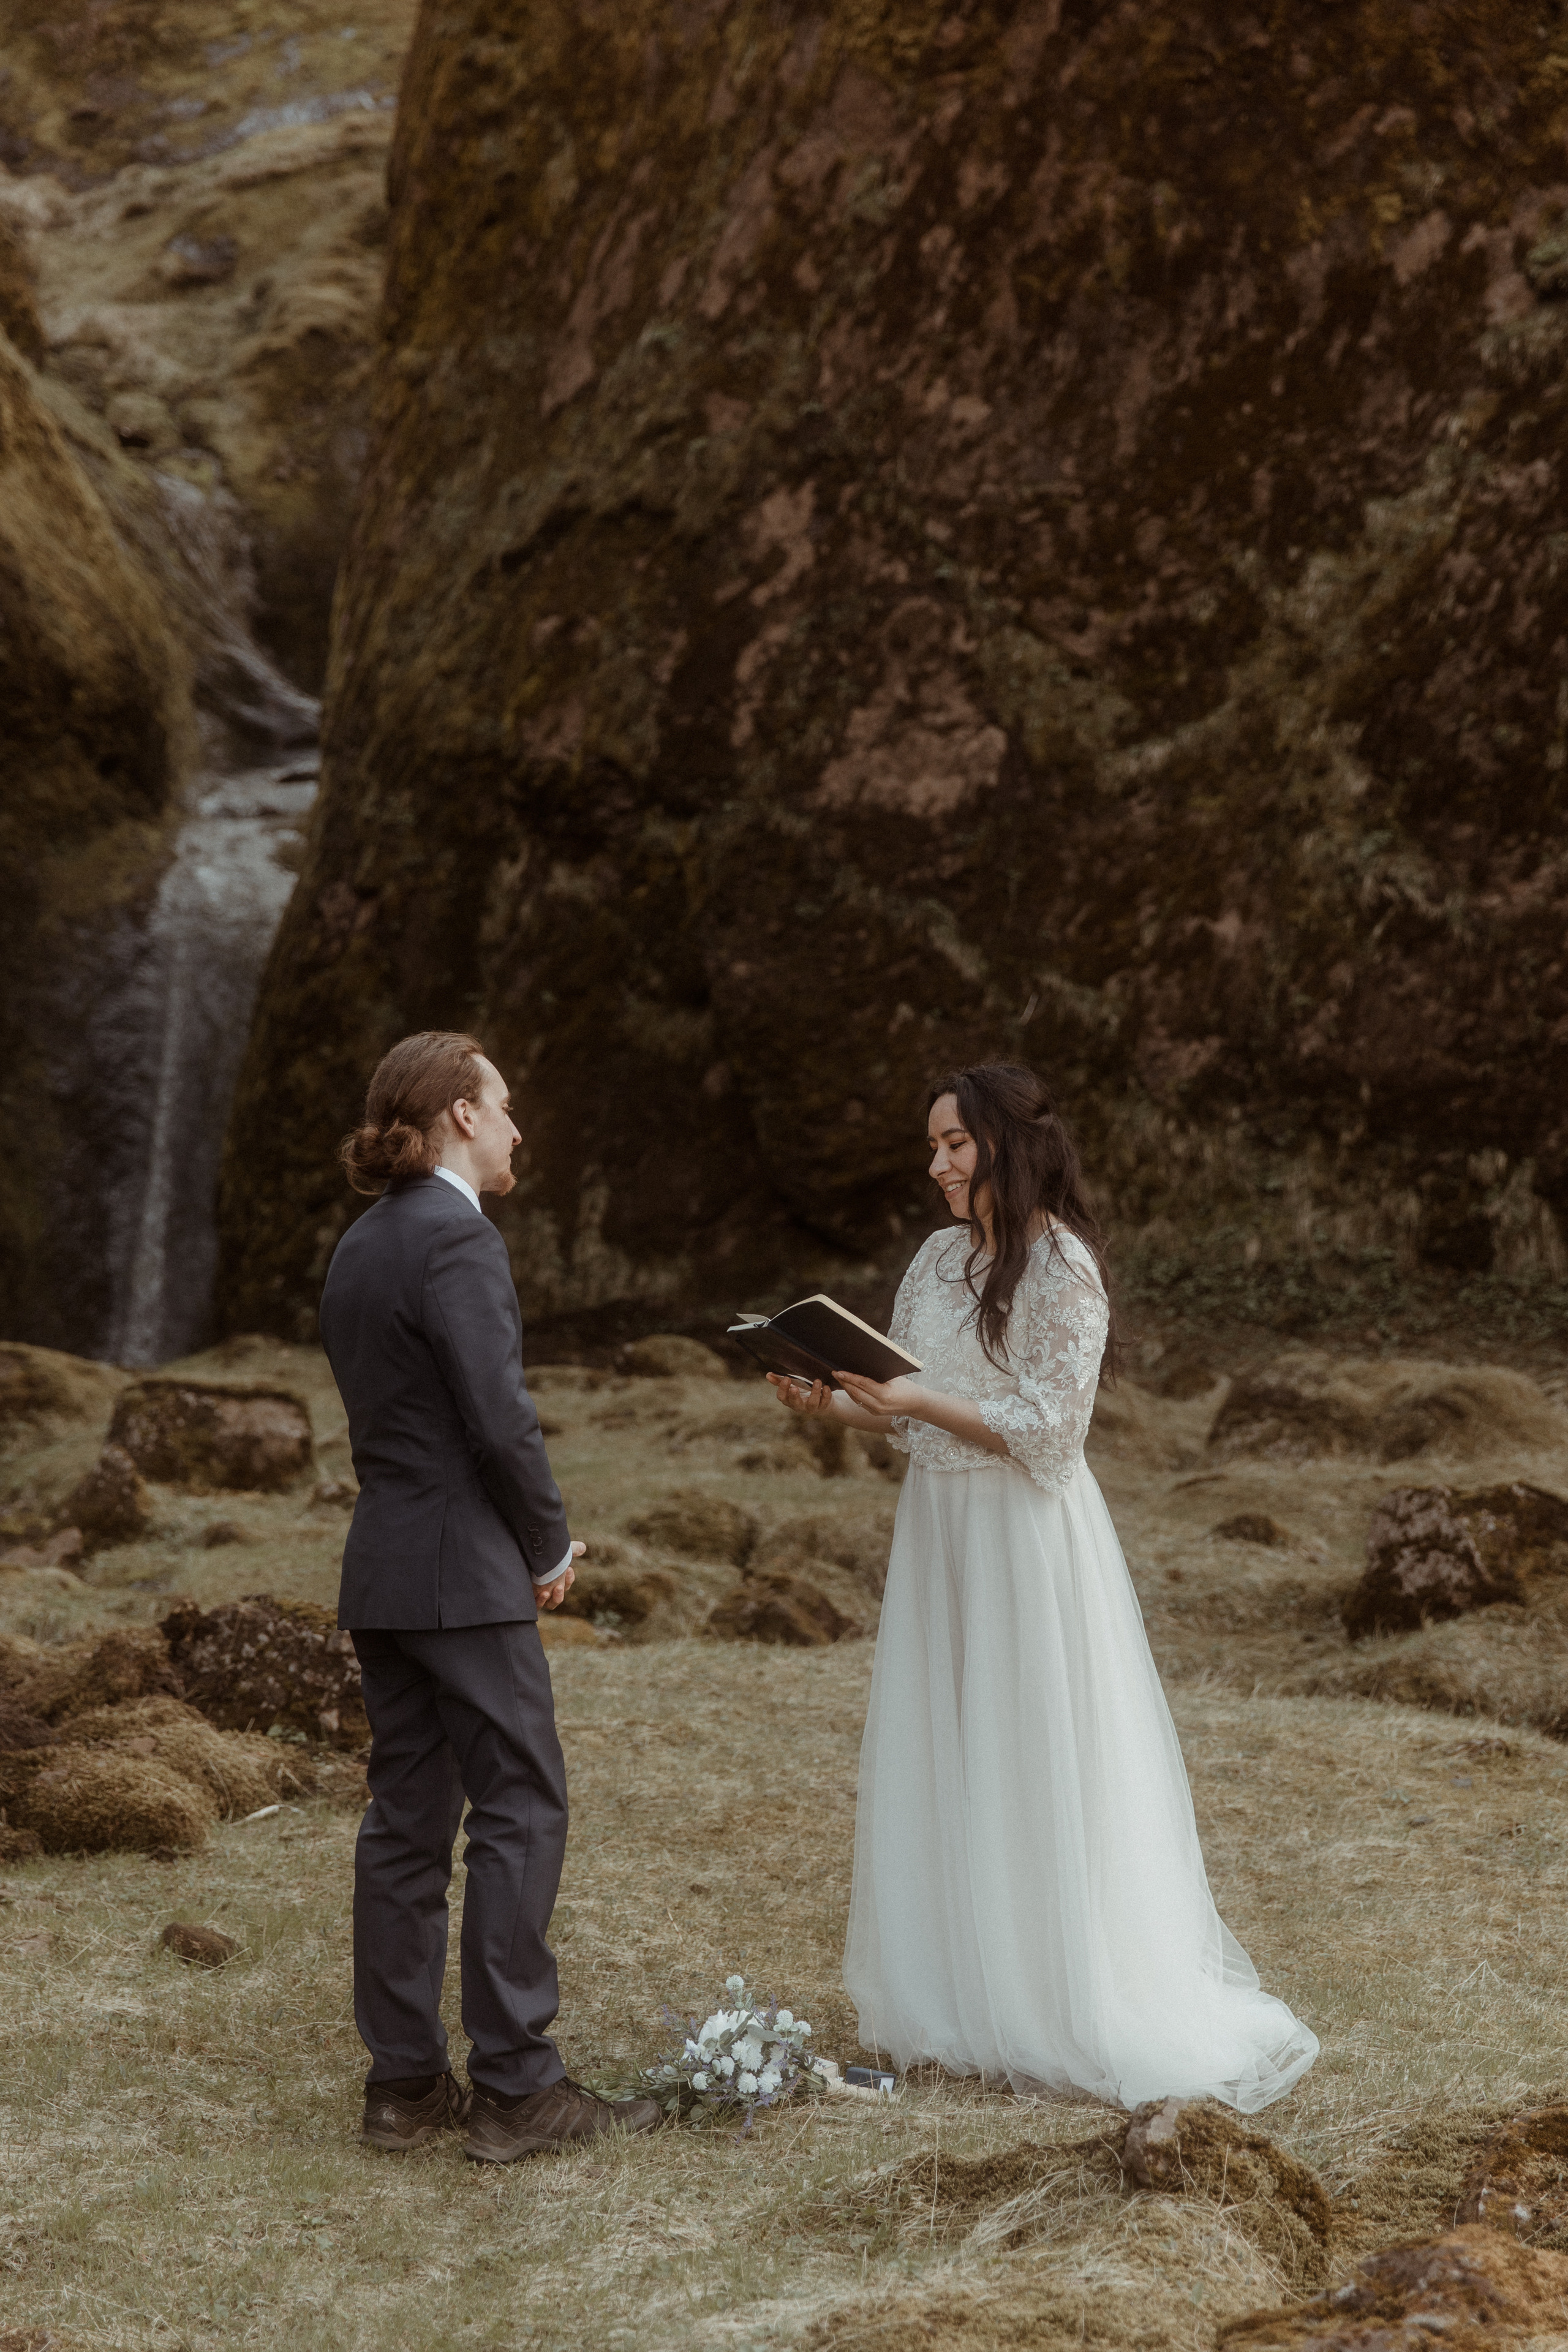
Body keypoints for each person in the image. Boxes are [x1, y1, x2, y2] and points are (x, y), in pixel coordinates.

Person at [768, 1063, 1317, 2113]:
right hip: (938, 1532)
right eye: (932, 1148)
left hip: (1023, 1536)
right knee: (949, 1741)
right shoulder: (937, 1259)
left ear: (1007, 1146)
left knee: (1030, 1748)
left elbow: (1053, 1429)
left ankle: (1055, 1995)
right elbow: (905, 1406)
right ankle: (959, 1998)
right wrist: (831, 1402)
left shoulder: (1064, 1266)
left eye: (955, 1145)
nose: (938, 1166)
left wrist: (918, 1398)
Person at [318, 1030, 661, 2161]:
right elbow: (498, 1413)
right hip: (464, 1575)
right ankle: (517, 2087)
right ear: (462, 1115)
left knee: (405, 1824)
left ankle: (404, 2088)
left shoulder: (360, 1243)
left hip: (382, 1569)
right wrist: (548, 1543)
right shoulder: (457, 1237)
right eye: (505, 1106)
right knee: (520, 1807)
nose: (519, 1127)